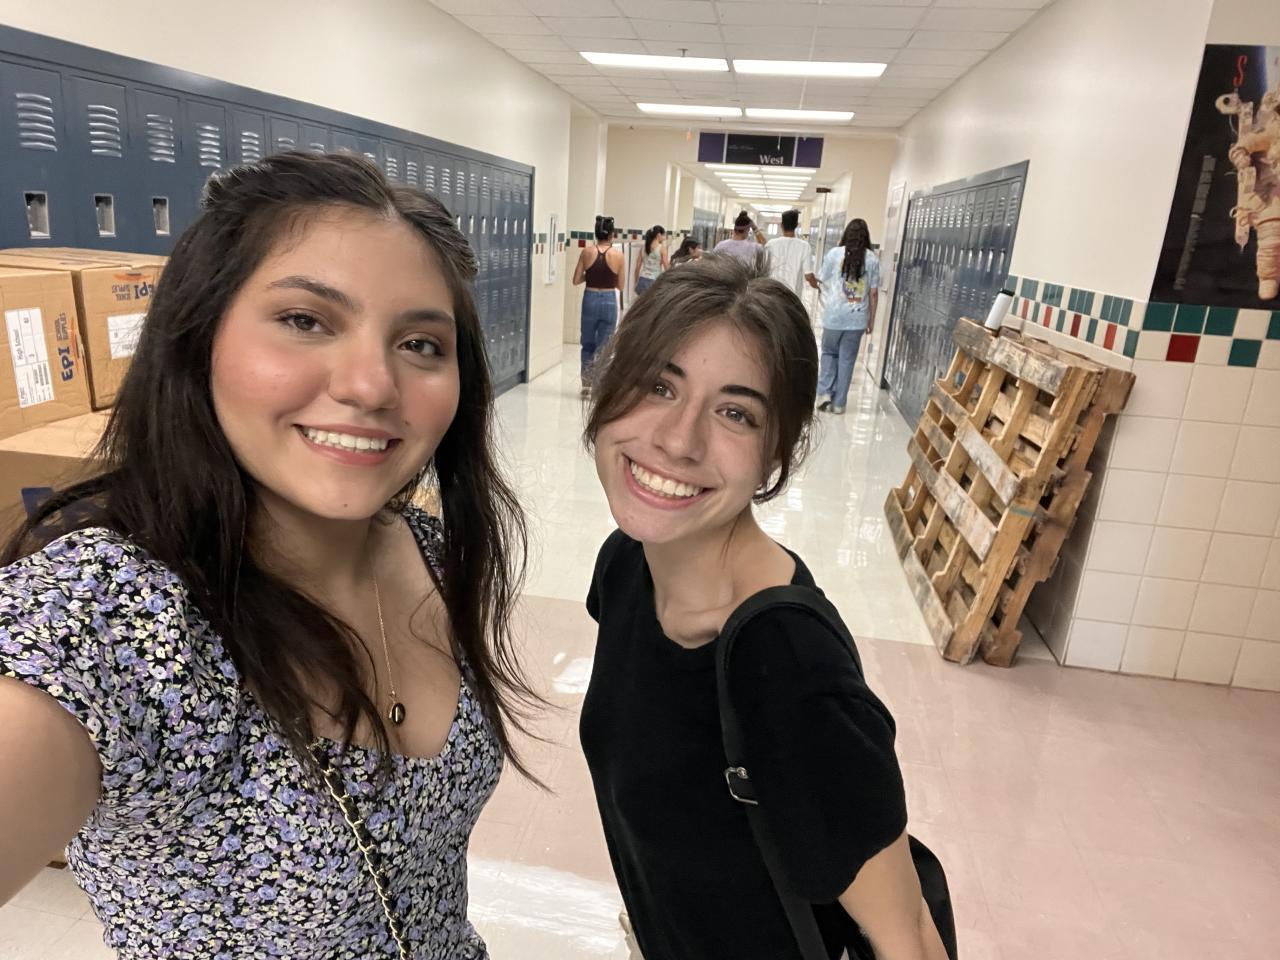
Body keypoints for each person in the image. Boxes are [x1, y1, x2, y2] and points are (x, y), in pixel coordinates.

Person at [0, 152, 539, 959]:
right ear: (198, 334)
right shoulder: (111, 616)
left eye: (421, 342)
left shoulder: (430, 551)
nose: (372, 385)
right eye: (305, 321)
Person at [580, 256, 949, 960]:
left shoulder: (789, 667)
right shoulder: (627, 566)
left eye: (735, 413)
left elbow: (910, 940)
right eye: (659, 385)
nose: (678, 439)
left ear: (776, 452)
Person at [809, 218, 879, 415]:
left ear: (846, 234)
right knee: (847, 360)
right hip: (857, 319)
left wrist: (816, 283)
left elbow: (821, 278)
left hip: (834, 316)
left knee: (829, 353)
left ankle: (824, 393)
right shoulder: (872, 259)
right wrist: (871, 320)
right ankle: (839, 403)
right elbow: (873, 294)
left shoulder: (834, 254)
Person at [573, 214, 626, 396]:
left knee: (587, 342)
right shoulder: (618, 255)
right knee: (605, 346)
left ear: (596, 233)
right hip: (609, 299)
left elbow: (576, 279)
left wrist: (590, 276)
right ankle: (598, 385)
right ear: (612, 234)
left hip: (590, 298)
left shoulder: (587, 252)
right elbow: (621, 285)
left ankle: (586, 384)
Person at [765, 209, 815, 297]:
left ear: (781, 225)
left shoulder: (771, 244)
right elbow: (808, 276)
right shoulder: (804, 246)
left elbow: (764, 269)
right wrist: (815, 283)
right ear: (796, 225)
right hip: (793, 296)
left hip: (773, 293)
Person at [633, 224, 669, 296]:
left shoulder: (643, 248)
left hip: (642, 280)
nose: (664, 238)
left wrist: (636, 282)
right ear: (658, 235)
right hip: (654, 281)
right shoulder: (662, 248)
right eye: (663, 235)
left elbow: (637, 267)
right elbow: (666, 268)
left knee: (642, 302)